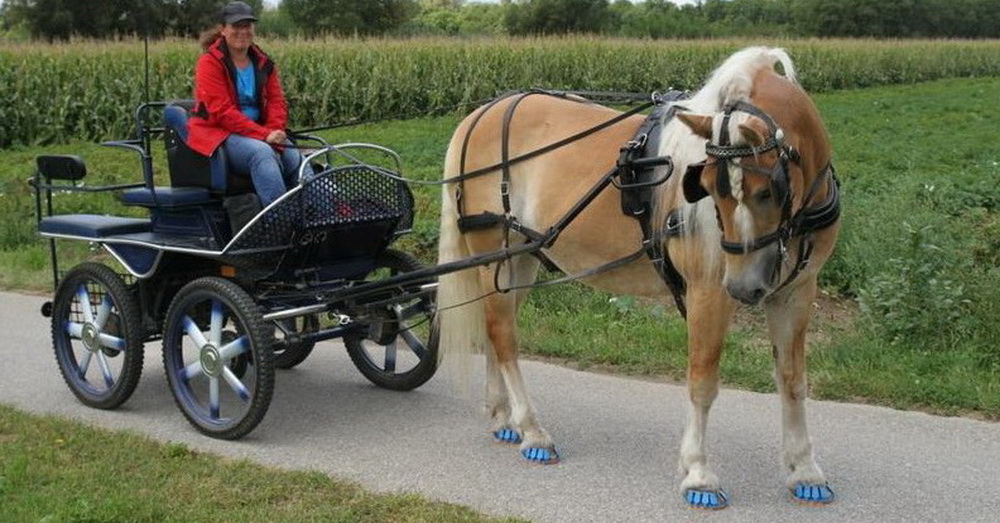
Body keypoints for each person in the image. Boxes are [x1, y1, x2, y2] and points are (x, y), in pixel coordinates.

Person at [187, 1, 312, 207]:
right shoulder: (209, 63)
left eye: (248, 26)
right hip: (221, 133)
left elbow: (276, 101)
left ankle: (317, 216)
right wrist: (264, 136)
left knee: (296, 157)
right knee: (262, 153)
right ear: (223, 30)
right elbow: (222, 112)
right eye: (237, 26)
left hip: (261, 132)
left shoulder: (263, 62)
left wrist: (275, 131)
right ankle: (278, 221)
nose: (243, 31)